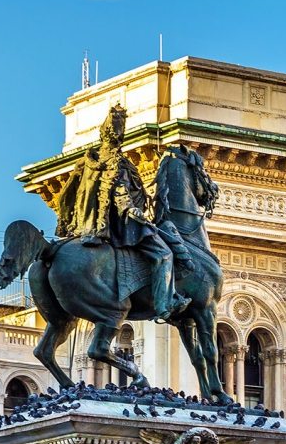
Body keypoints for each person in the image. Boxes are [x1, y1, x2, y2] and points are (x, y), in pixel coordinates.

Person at [56, 104, 191, 321]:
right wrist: (132, 210)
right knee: (164, 255)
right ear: (118, 138)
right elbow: (120, 193)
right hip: (121, 225)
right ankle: (165, 303)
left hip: (91, 227)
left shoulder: (87, 161)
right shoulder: (115, 162)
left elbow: (66, 196)